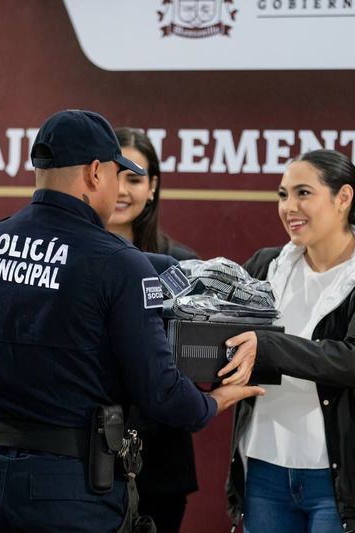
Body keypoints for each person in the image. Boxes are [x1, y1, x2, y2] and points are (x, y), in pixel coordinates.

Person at [0, 109, 264, 533]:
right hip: (71, 488)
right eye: (120, 175)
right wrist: (211, 403)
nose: (119, 188)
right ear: (96, 172)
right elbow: (159, 389)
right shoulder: (118, 264)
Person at [222, 149, 355, 532]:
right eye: (283, 195)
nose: (289, 207)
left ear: (343, 197)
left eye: (303, 193)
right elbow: (225, 338)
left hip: (342, 479)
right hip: (263, 470)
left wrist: (267, 346)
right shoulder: (265, 265)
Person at [106, 127, 199, 533]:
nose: (123, 190)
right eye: (115, 174)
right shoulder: (68, 262)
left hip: (159, 464)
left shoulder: (181, 266)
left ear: (153, 186)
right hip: (77, 460)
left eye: (135, 177)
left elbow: (194, 370)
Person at [107, 127, 197, 260]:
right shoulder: (68, 255)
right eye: (111, 178)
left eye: (134, 180)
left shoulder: (180, 262)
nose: (120, 190)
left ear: (152, 186)